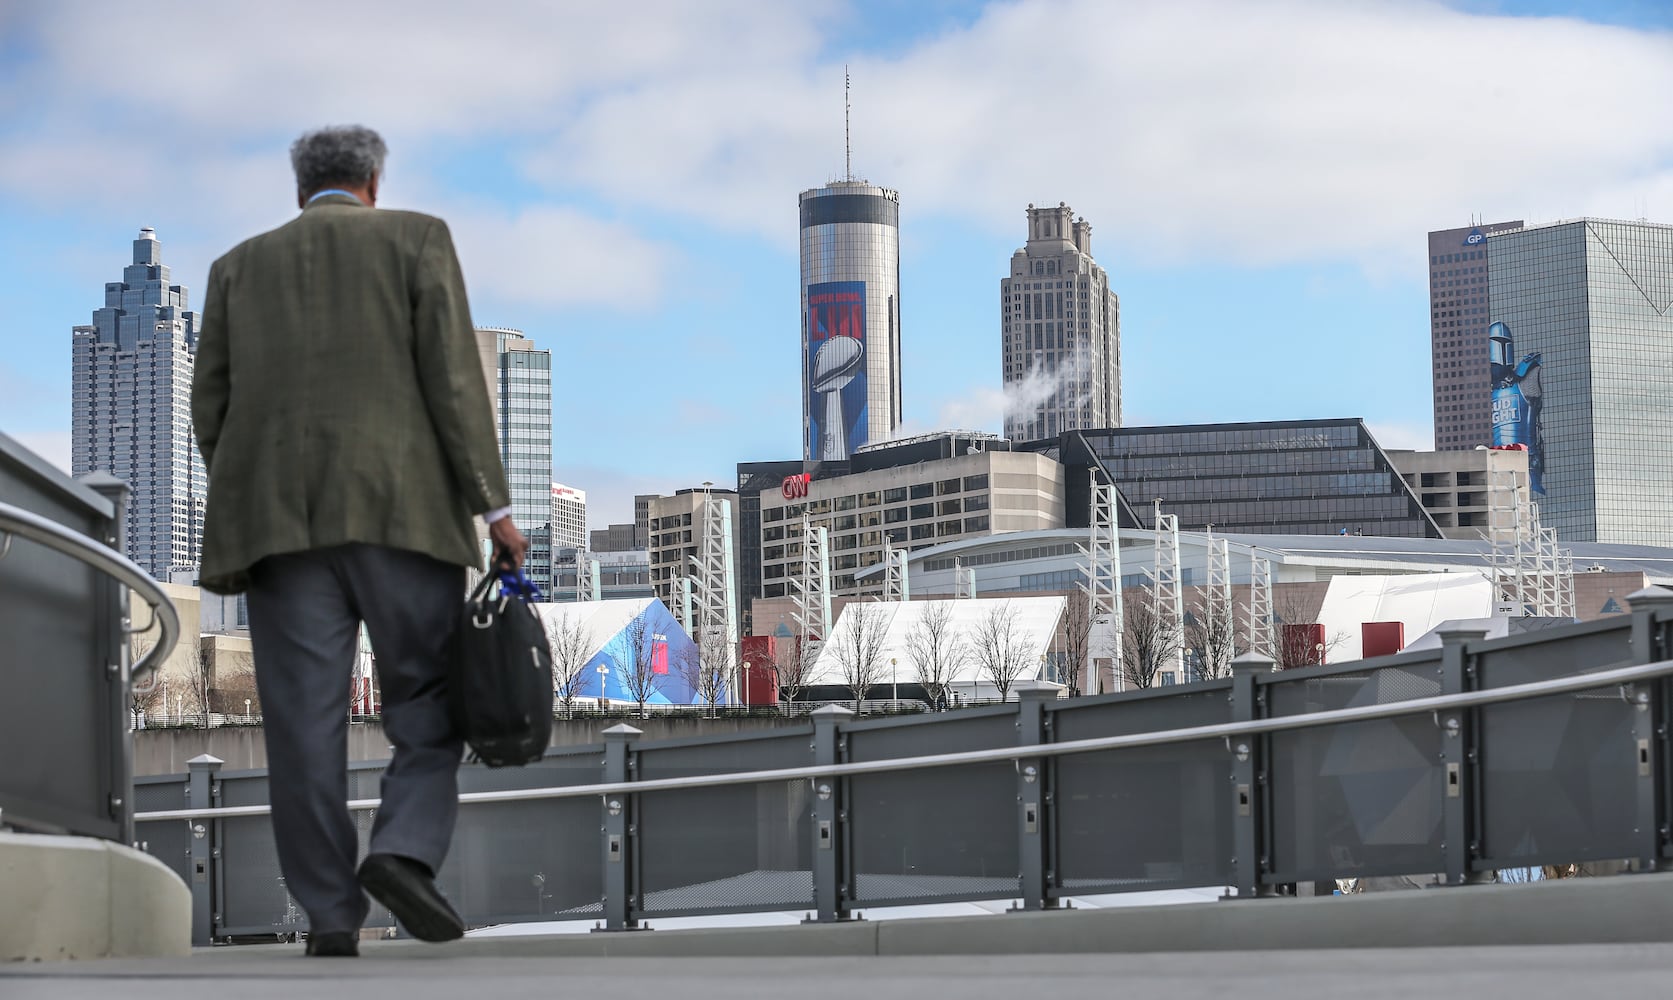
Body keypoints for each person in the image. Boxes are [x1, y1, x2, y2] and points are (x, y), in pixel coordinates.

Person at [192, 126, 526, 957]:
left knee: (302, 732)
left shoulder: (237, 268)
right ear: (373, 180)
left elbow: (210, 408)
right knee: (425, 703)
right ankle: (404, 853)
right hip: (402, 517)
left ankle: (331, 917)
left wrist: (258, 486)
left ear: (300, 187)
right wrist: (494, 511)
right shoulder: (417, 239)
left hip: (278, 532)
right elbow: (454, 380)